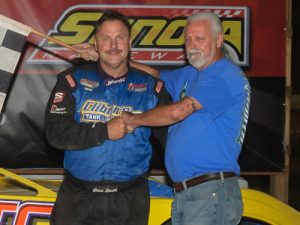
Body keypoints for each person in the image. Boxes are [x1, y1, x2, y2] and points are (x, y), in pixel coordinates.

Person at [122, 12, 251, 225]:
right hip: (187, 192)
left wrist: (133, 120)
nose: (192, 45)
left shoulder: (225, 75)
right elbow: (154, 75)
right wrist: (110, 58)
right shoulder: (190, 74)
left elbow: (178, 111)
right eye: (188, 39)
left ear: (219, 40)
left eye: (200, 38)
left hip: (211, 192)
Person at [45, 10, 170, 225]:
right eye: (106, 38)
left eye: (120, 37)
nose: (113, 45)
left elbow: (176, 139)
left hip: (130, 202)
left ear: (130, 42)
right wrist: (104, 131)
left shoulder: (153, 88)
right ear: (96, 43)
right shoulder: (71, 80)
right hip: (77, 199)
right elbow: (56, 133)